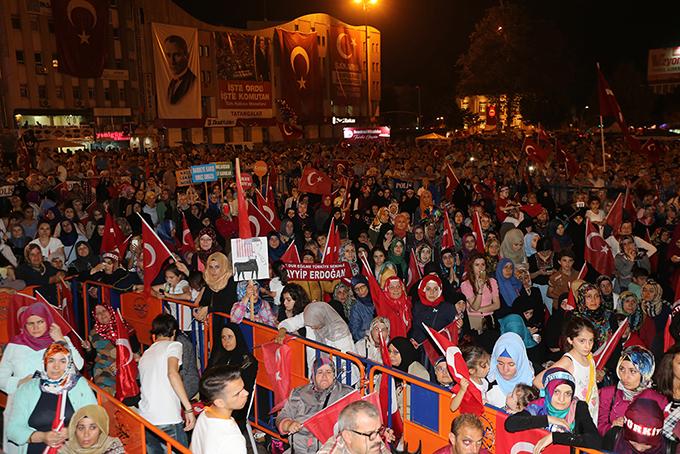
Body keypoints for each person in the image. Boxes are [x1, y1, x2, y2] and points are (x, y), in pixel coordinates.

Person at [0, 301, 85, 454]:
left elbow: (78, 366)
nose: (35, 327)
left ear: (48, 321)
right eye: (30, 324)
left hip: (57, 406)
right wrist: (19, 382)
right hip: (22, 405)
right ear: (24, 325)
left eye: (40, 322)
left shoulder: (60, 339)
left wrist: (61, 340)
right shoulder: (15, 345)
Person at [8, 342, 97, 454]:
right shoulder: (27, 389)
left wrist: (72, 431)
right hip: (37, 449)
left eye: (62, 361)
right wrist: (42, 437)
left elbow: (96, 420)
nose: (56, 366)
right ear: (44, 363)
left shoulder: (79, 385)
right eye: (51, 360)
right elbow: (12, 430)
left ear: (69, 363)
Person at [505, 367, 602, 452]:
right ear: (548, 391)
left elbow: (595, 441)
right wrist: (549, 419)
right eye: (556, 392)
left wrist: (554, 437)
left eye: (567, 393)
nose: (562, 399)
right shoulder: (538, 406)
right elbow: (510, 424)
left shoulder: (577, 407)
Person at [137, 314, 195, 454]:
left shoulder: (146, 354)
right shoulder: (174, 345)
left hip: (146, 418)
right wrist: (188, 409)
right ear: (174, 332)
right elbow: (172, 374)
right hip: (167, 417)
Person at [276, 358, 354, 454]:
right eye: (320, 372)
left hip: (330, 449)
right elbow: (282, 416)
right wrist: (288, 424)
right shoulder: (299, 393)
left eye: (328, 372)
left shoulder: (346, 394)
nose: (324, 376)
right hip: (299, 449)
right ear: (313, 375)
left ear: (334, 375)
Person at [534, 316, 600, 424]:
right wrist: (559, 402)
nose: (587, 346)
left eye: (591, 341)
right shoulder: (568, 361)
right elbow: (538, 381)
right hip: (574, 415)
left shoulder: (589, 357)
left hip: (590, 409)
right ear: (570, 340)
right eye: (582, 341)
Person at [206, 322, 257, 434]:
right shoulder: (219, 355)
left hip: (235, 407)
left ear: (237, 337)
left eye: (230, 337)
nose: (226, 341)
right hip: (215, 401)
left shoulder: (247, 360)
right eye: (223, 338)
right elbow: (206, 379)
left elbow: (244, 389)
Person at [82, 303, 141, 398]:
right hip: (105, 367)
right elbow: (91, 358)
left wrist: (120, 362)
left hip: (126, 365)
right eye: (98, 313)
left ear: (110, 312)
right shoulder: (94, 333)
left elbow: (135, 350)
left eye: (104, 311)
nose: (102, 314)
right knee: (105, 392)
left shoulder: (124, 326)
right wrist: (88, 349)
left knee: (131, 392)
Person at [190, 365, 249, 454]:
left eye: (243, 388)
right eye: (237, 393)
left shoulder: (205, 413)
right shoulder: (233, 440)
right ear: (219, 403)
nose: (246, 393)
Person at [317, 401, 394, 454]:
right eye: (370, 433)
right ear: (347, 436)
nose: (379, 439)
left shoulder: (373, 442)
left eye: (379, 431)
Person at [486, 332, 534, 408]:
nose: (505, 370)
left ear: (520, 362)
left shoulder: (535, 382)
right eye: (500, 363)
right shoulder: (488, 382)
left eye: (511, 364)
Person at [58, 404, 125, 454]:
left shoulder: (112, 447)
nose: (86, 434)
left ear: (101, 430)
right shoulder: (66, 450)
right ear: (74, 429)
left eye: (92, 428)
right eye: (81, 428)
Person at [163, 35, 196, 105]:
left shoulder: (192, 81)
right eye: (168, 55)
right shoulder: (171, 84)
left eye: (177, 55)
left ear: (187, 56)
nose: (172, 61)